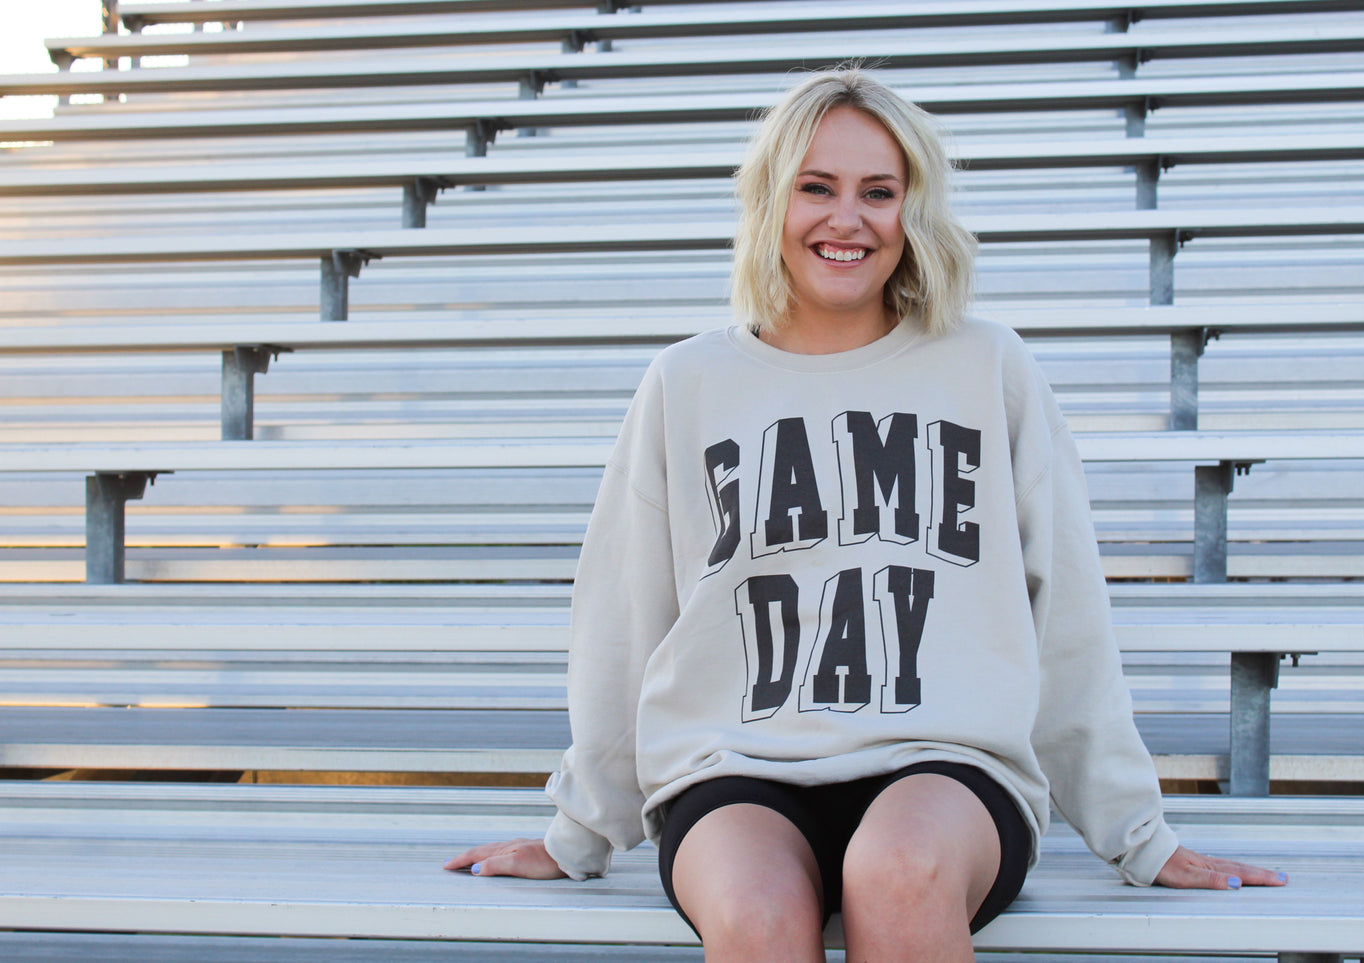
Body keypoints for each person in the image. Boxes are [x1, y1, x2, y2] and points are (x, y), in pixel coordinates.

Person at [446, 67, 1287, 962]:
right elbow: (627, 619)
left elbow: (1066, 612)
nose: (846, 220)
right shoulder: (685, 382)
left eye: (877, 192)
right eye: (816, 187)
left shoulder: (986, 367)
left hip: (947, 769)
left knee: (897, 870)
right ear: (772, 200)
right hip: (737, 770)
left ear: (910, 211)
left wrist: (1137, 833)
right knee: (758, 911)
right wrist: (580, 830)